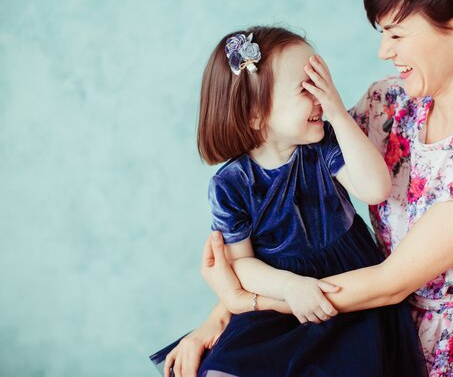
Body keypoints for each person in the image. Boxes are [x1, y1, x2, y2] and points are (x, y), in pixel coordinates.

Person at [193, 0, 453, 376]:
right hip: (357, 317)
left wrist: (248, 302)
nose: (384, 50)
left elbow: (391, 282)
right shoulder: (391, 102)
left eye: (397, 34)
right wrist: (221, 317)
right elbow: (289, 196)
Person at [150, 26, 427, 377]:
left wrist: (339, 114)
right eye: (305, 89)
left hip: (350, 286)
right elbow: (242, 265)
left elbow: (375, 190)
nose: (320, 99)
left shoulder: (323, 145)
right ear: (255, 115)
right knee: (224, 370)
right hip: (280, 293)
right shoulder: (231, 184)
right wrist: (289, 286)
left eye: (321, 86)